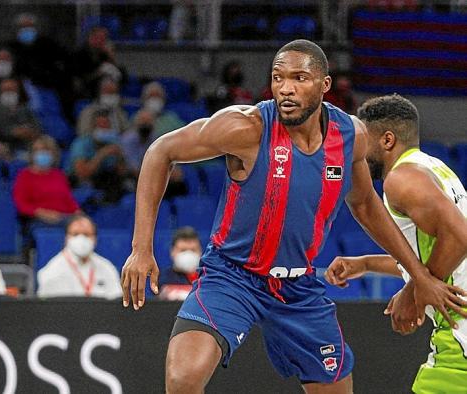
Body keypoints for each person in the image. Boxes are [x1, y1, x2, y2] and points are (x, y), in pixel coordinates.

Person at [120, 39, 467, 393]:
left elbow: (365, 205)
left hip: (297, 287)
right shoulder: (247, 128)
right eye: (278, 77)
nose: (286, 88)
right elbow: (161, 151)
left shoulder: (351, 136)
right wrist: (141, 247)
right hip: (233, 276)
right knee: (183, 380)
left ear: (324, 85)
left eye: (299, 78)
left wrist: (420, 277)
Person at [325, 94, 467, 392]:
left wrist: (413, 292)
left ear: (387, 140)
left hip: (460, 330)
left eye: (363, 141)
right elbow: (434, 252)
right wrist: (366, 263)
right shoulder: (434, 169)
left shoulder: (401, 178)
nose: (357, 151)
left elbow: (458, 237)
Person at [37, 214, 122, 299]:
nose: (81, 239)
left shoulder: (107, 268)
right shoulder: (51, 272)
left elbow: (116, 299)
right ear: (66, 238)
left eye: (86, 234)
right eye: (75, 234)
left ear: (95, 239)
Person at [13, 135, 79, 229]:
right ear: (32, 154)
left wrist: (78, 213)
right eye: (38, 150)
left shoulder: (58, 175)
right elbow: (20, 203)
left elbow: (68, 200)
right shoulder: (25, 176)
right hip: (38, 220)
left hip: (64, 218)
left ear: (54, 154)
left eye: (46, 150)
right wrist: (41, 213)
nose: (42, 153)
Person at [158, 226, 202, 301]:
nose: (188, 255)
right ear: (172, 251)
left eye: (193, 250)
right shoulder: (162, 278)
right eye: (183, 250)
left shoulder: (207, 278)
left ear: (200, 251)